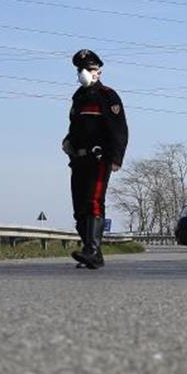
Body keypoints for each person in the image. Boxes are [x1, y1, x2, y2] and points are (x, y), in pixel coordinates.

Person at [61, 49, 128, 269]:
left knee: (93, 202)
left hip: (99, 159)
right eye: (80, 69)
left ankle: (91, 249)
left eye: (88, 69)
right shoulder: (78, 97)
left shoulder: (108, 96)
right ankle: (93, 252)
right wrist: (68, 141)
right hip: (78, 160)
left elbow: (119, 130)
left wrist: (116, 157)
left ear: (98, 72)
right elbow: (76, 126)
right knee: (79, 208)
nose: (83, 73)